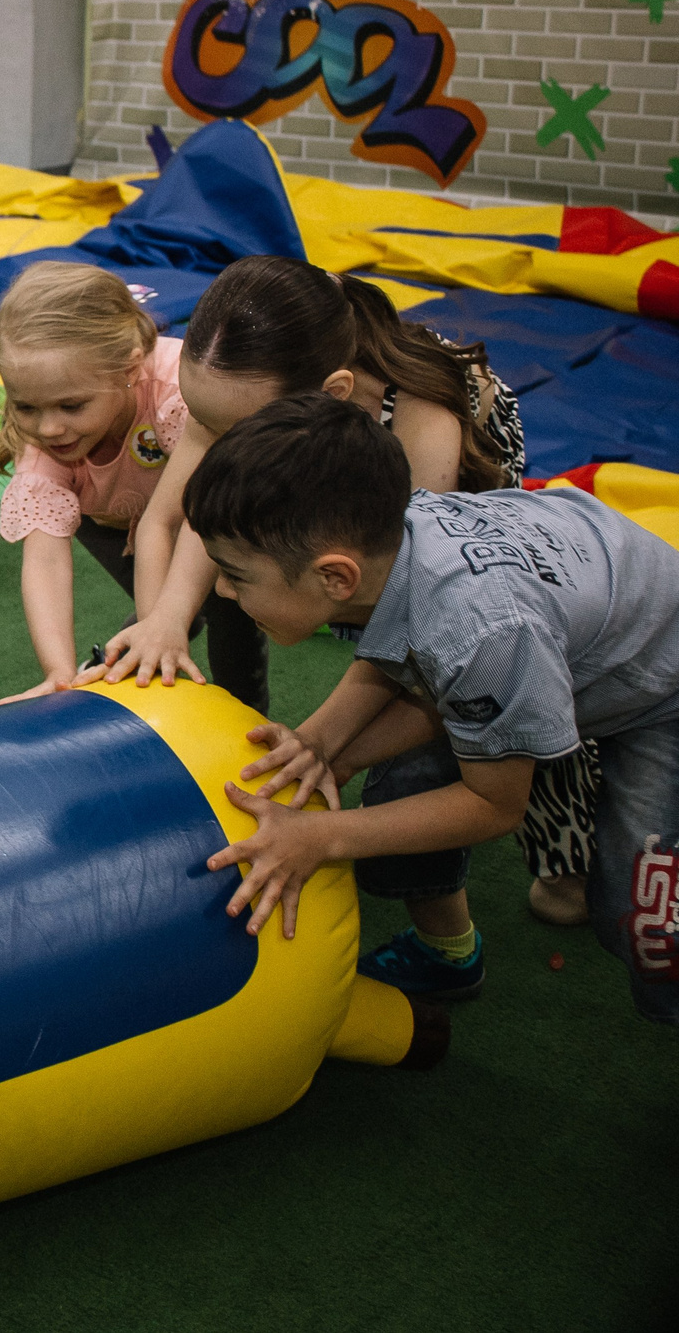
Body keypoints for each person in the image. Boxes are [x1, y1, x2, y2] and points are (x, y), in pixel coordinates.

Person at [87, 255, 557, 992]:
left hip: (471, 598)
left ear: (331, 397)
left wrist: (330, 742)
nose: (207, 437)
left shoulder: (423, 443)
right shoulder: (245, 392)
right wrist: (164, 624)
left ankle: (450, 940)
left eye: (223, 428)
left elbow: (417, 638)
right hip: (363, 573)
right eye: (201, 420)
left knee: (454, 779)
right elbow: (171, 518)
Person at [186, 394, 679, 1030]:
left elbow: (495, 805)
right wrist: (322, 745)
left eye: (235, 575)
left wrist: (322, 836)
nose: (222, 591)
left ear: (336, 577)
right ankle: (447, 951)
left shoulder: (478, 630)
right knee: (407, 784)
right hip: (579, 616)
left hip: (661, 692)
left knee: (645, 920)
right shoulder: (398, 539)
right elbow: (415, 662)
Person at [0, 262, 189, 702]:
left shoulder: (177, 393)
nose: (50, 429)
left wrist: (161, 625)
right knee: (157, 618)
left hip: (198, 514)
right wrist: (58, 675)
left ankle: (247, 710)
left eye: (71, 406)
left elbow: (177, 520)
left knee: (214, 613)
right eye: (26, 407)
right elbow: (44, 559)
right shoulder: (45, 445)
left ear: (129, 370)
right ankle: (104, 670)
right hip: (110, 513)